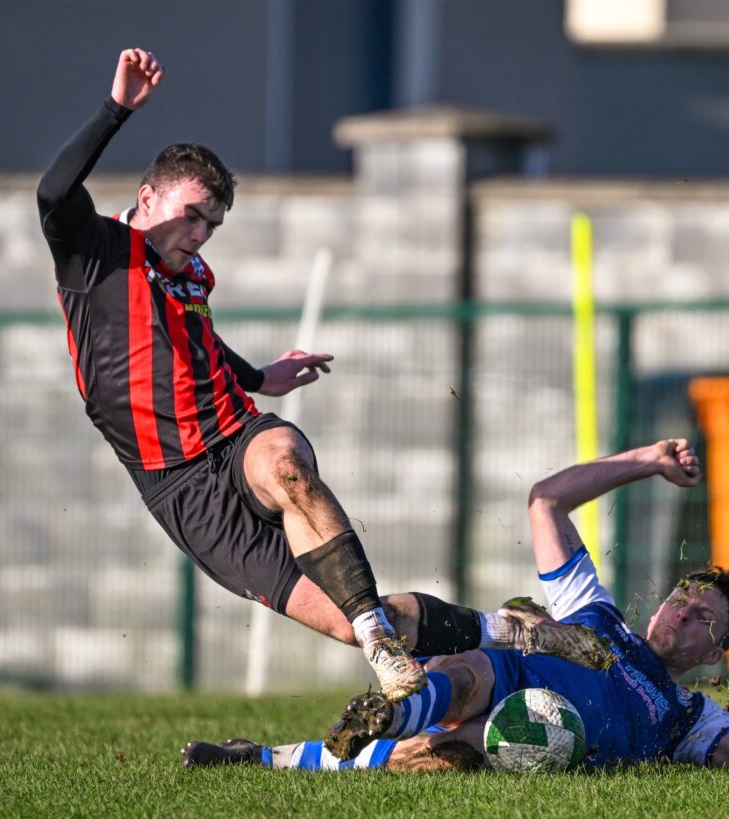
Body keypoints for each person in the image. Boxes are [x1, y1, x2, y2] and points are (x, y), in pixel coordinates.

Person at [37, 48, 608, 703]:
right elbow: (52, 192)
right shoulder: (95, 251)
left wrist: (259, 378)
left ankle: (379, 644)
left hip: (235, 436)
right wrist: (117, 109)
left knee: (284, 462)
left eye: (212, 225)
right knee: (346, 619)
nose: (200, 234)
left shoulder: (190, 273)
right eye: (191, 215)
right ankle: (515, 629)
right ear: (148, 197)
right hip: (177, 487)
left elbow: (192, 344)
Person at [181, 439, 729, 770]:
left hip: (532, 744)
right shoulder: (596, 613)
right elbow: (546, 501)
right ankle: (389, 710)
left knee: (438, 758)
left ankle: (261, 756)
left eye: (702, 618)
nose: (680, 612)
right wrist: (648, 461)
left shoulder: (689, 715)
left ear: (713, 652)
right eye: (680, 598)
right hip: (506, 677)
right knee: (469, 675)